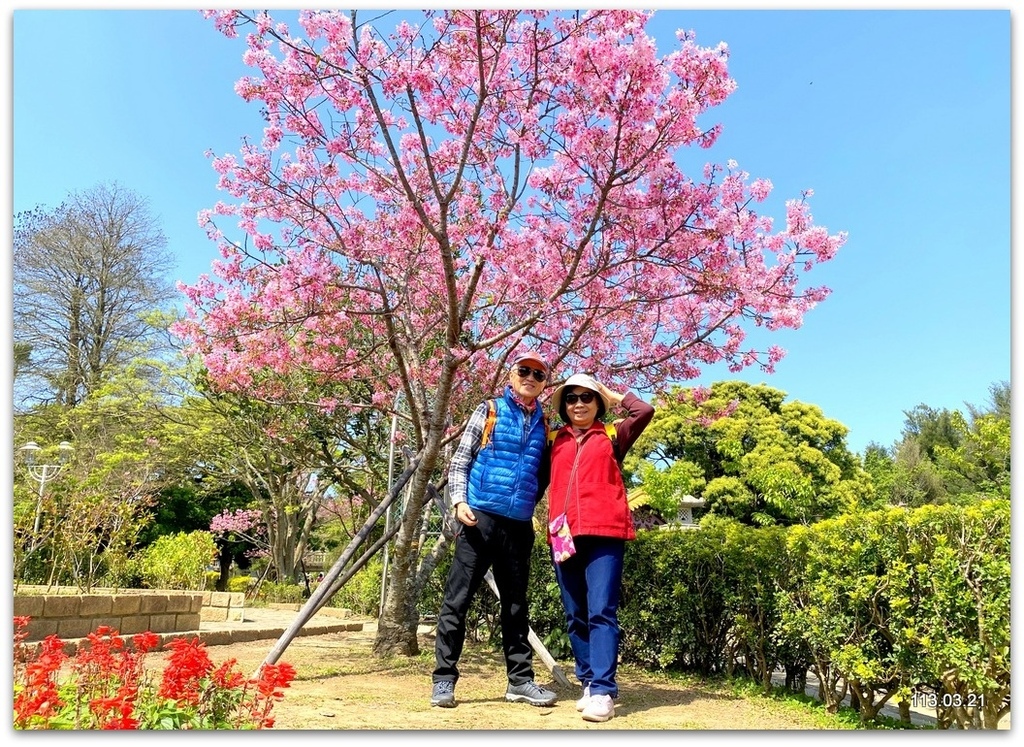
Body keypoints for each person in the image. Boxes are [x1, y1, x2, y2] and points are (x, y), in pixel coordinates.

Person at [430, 351, 558, 709]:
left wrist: (529, 507)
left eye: (538, 374)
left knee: (516, 606)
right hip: (479, 519)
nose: (531, 377)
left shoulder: (544, 424)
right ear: (512, 374)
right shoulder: (489, 410)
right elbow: (460, 461)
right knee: (457, 601)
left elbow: (542, 475)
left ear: (544, 383)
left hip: (517, 526)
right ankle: (443, 680)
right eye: (524, 371)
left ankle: (520, 681)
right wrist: (459, 501)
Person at [546, 373, 655, 723]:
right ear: (564, 406)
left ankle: (604, 690)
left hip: (605, 531)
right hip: (563, 533)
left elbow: (644, 411)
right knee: (575, 612)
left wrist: (612, 393)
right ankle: (589, 682)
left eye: (587, 397)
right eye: (572, 398)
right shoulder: (553, 440)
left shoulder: (612, 435)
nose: (579, 403)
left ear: (597, 404)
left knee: (601, 612)